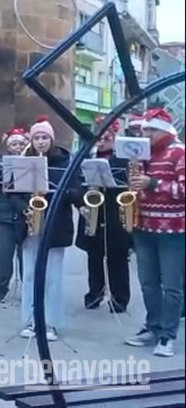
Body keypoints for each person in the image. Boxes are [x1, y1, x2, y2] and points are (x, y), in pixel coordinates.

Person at [124, 108, 184, 358]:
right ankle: (153, 326)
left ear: (164, 131)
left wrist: (154, 184)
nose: (145, 134)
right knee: (148, 284)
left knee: (172, 286)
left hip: (173, 230)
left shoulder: (179, 152)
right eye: (144, 130)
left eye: (151, 130)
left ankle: (168, 336)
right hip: (143, 227)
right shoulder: (142, 155)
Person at [17, 115, 80, 341]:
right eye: (37, 138)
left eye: (44, 137)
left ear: (51, 139)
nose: (41, 142)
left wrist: (62, 192)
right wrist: (24, 207)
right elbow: (13, 192)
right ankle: (30, 319)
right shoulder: (24, 161)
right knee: (29, 275)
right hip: (30, 225)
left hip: (56, 224)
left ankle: (51, 323)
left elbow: (77, 193)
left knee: (52, 276)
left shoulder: (65, 162)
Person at [75, 116, 130, 313]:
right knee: (94, 257)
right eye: (99, 136)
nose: (102, 141)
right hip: (92, 210)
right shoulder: (85, 155)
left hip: (115, 211)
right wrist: (80, 203)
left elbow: (128, 182)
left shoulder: (123, 158)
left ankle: (119, 299)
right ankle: (95, 294)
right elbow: (75, 181)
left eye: (107, 137)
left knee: (117, 258)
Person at [0, 127, 29, 303]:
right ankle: (1, 287)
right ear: (8, 147)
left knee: (25, 255)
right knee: (3, 255)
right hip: (4, 214)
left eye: (21, 144)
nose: (18, 147)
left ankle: (28, 287)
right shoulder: (1, 162)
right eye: (14, 144)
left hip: (25, 213)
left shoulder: (31, 163)